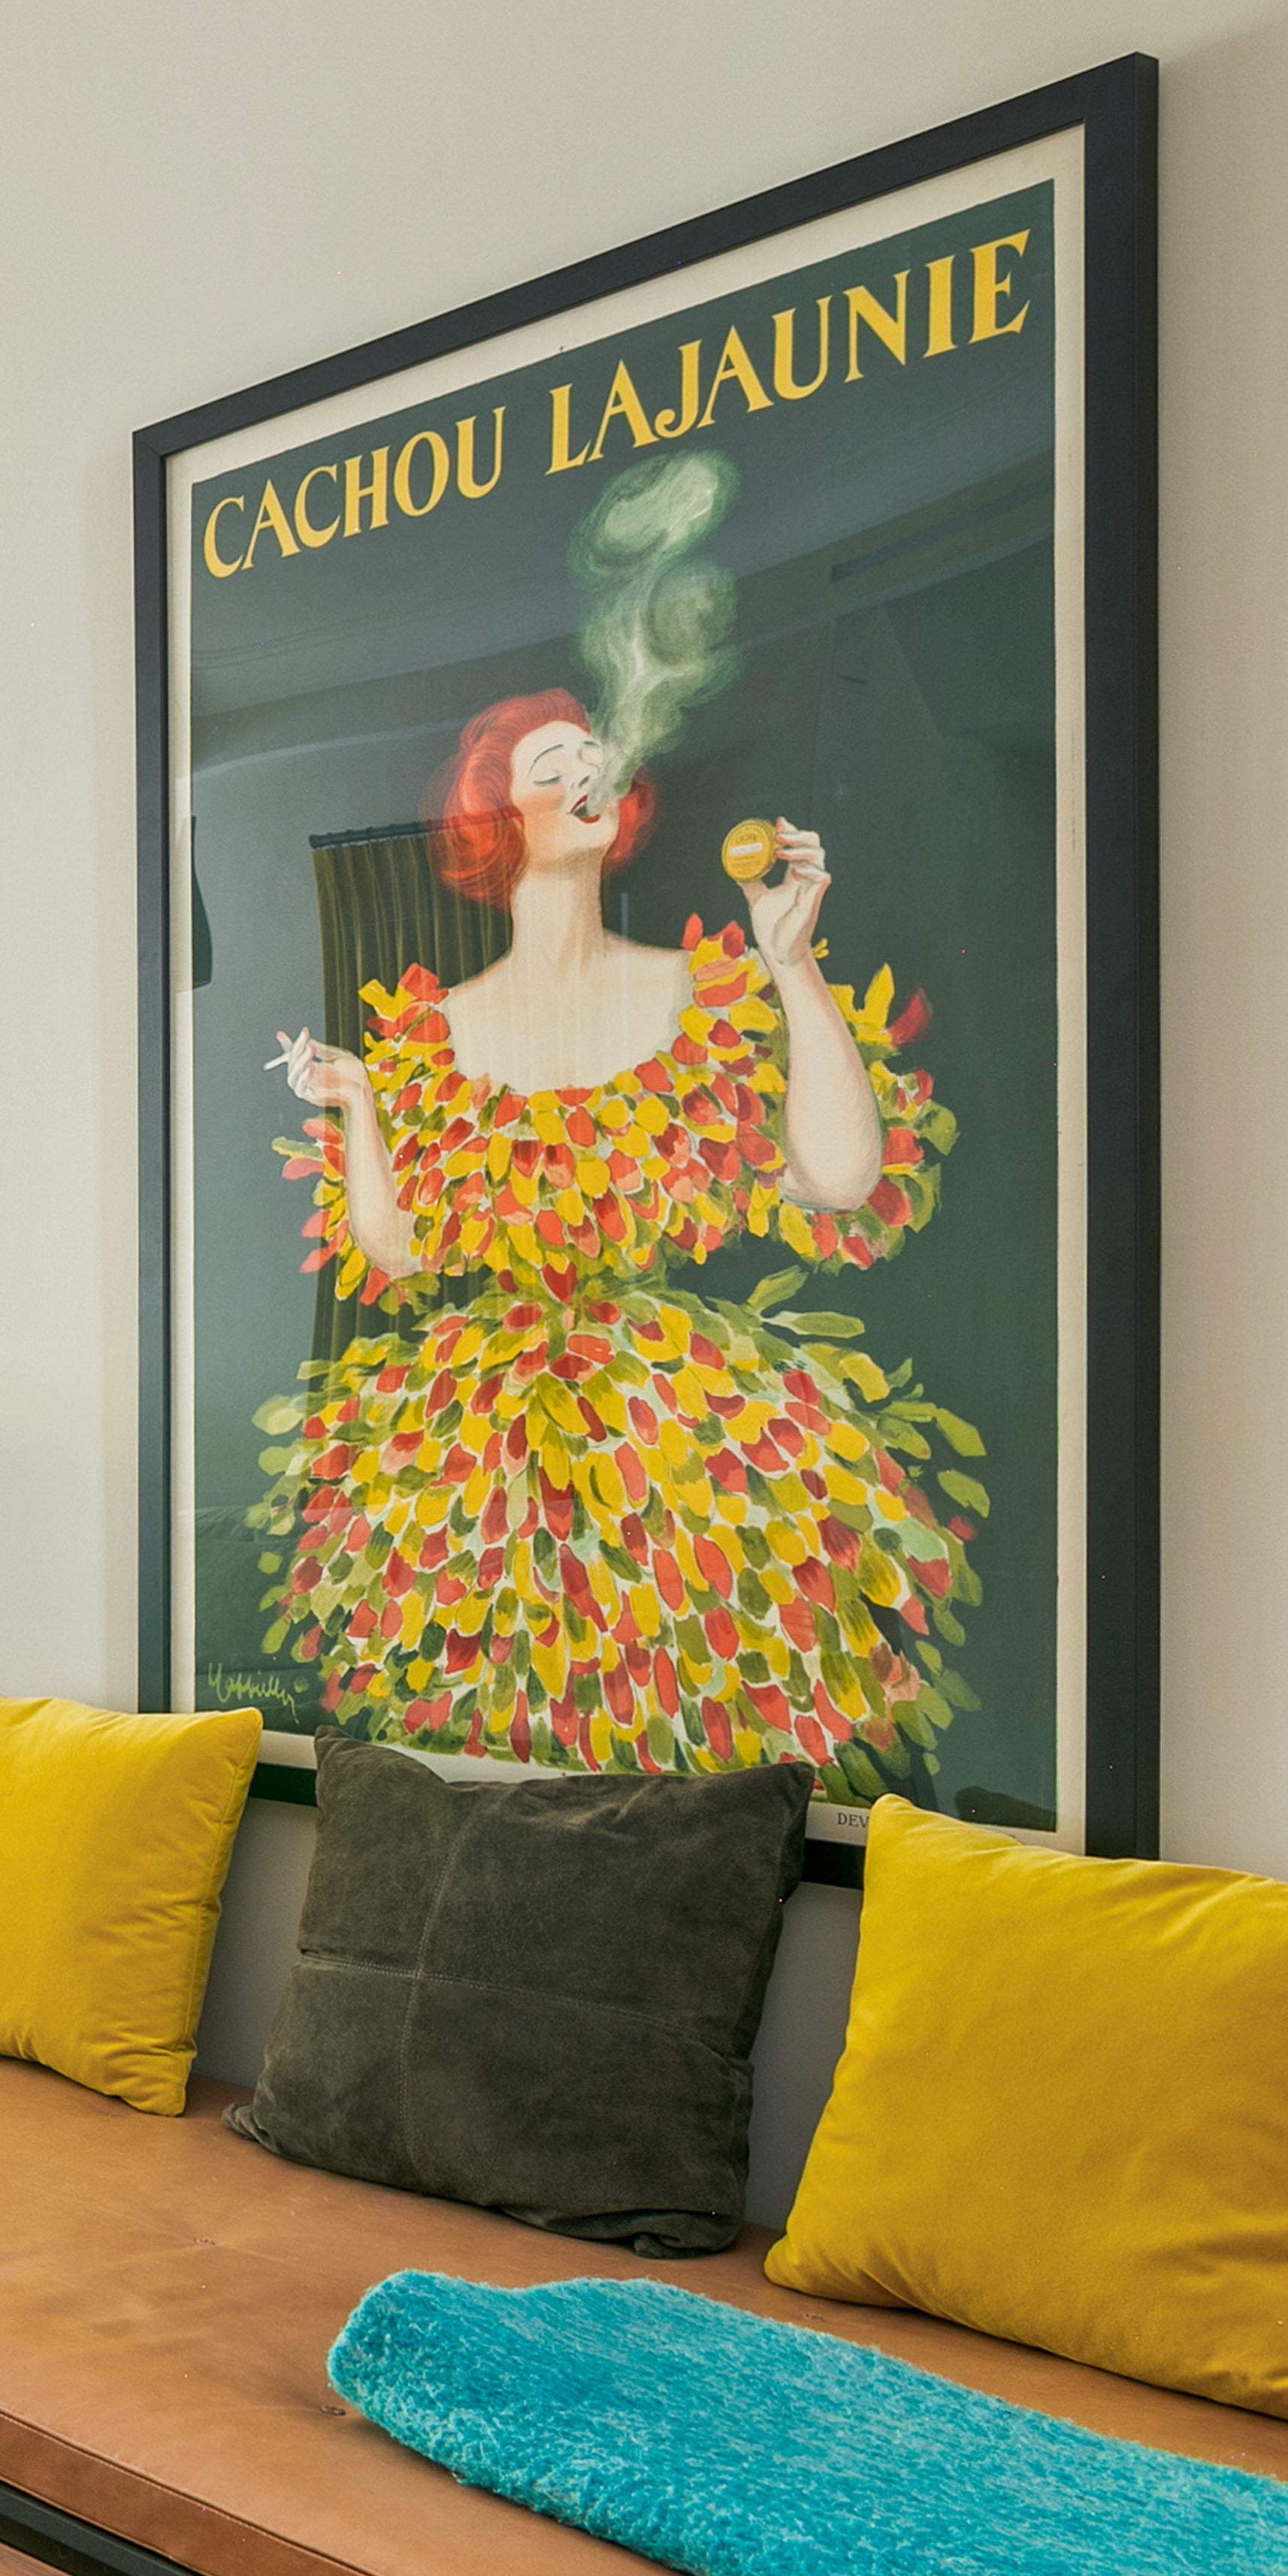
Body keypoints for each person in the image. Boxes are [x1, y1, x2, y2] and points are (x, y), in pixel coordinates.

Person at [250, 688, 972, 1784]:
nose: (588, 772)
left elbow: (835, 1177)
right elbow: (397, 1254)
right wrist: (358, 1103)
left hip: (682, 1449)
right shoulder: (433, 1033)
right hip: (480, 1462)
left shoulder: (696, 990)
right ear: (498, 822)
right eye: (553, 764)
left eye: (597, 755)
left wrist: (790, 960)